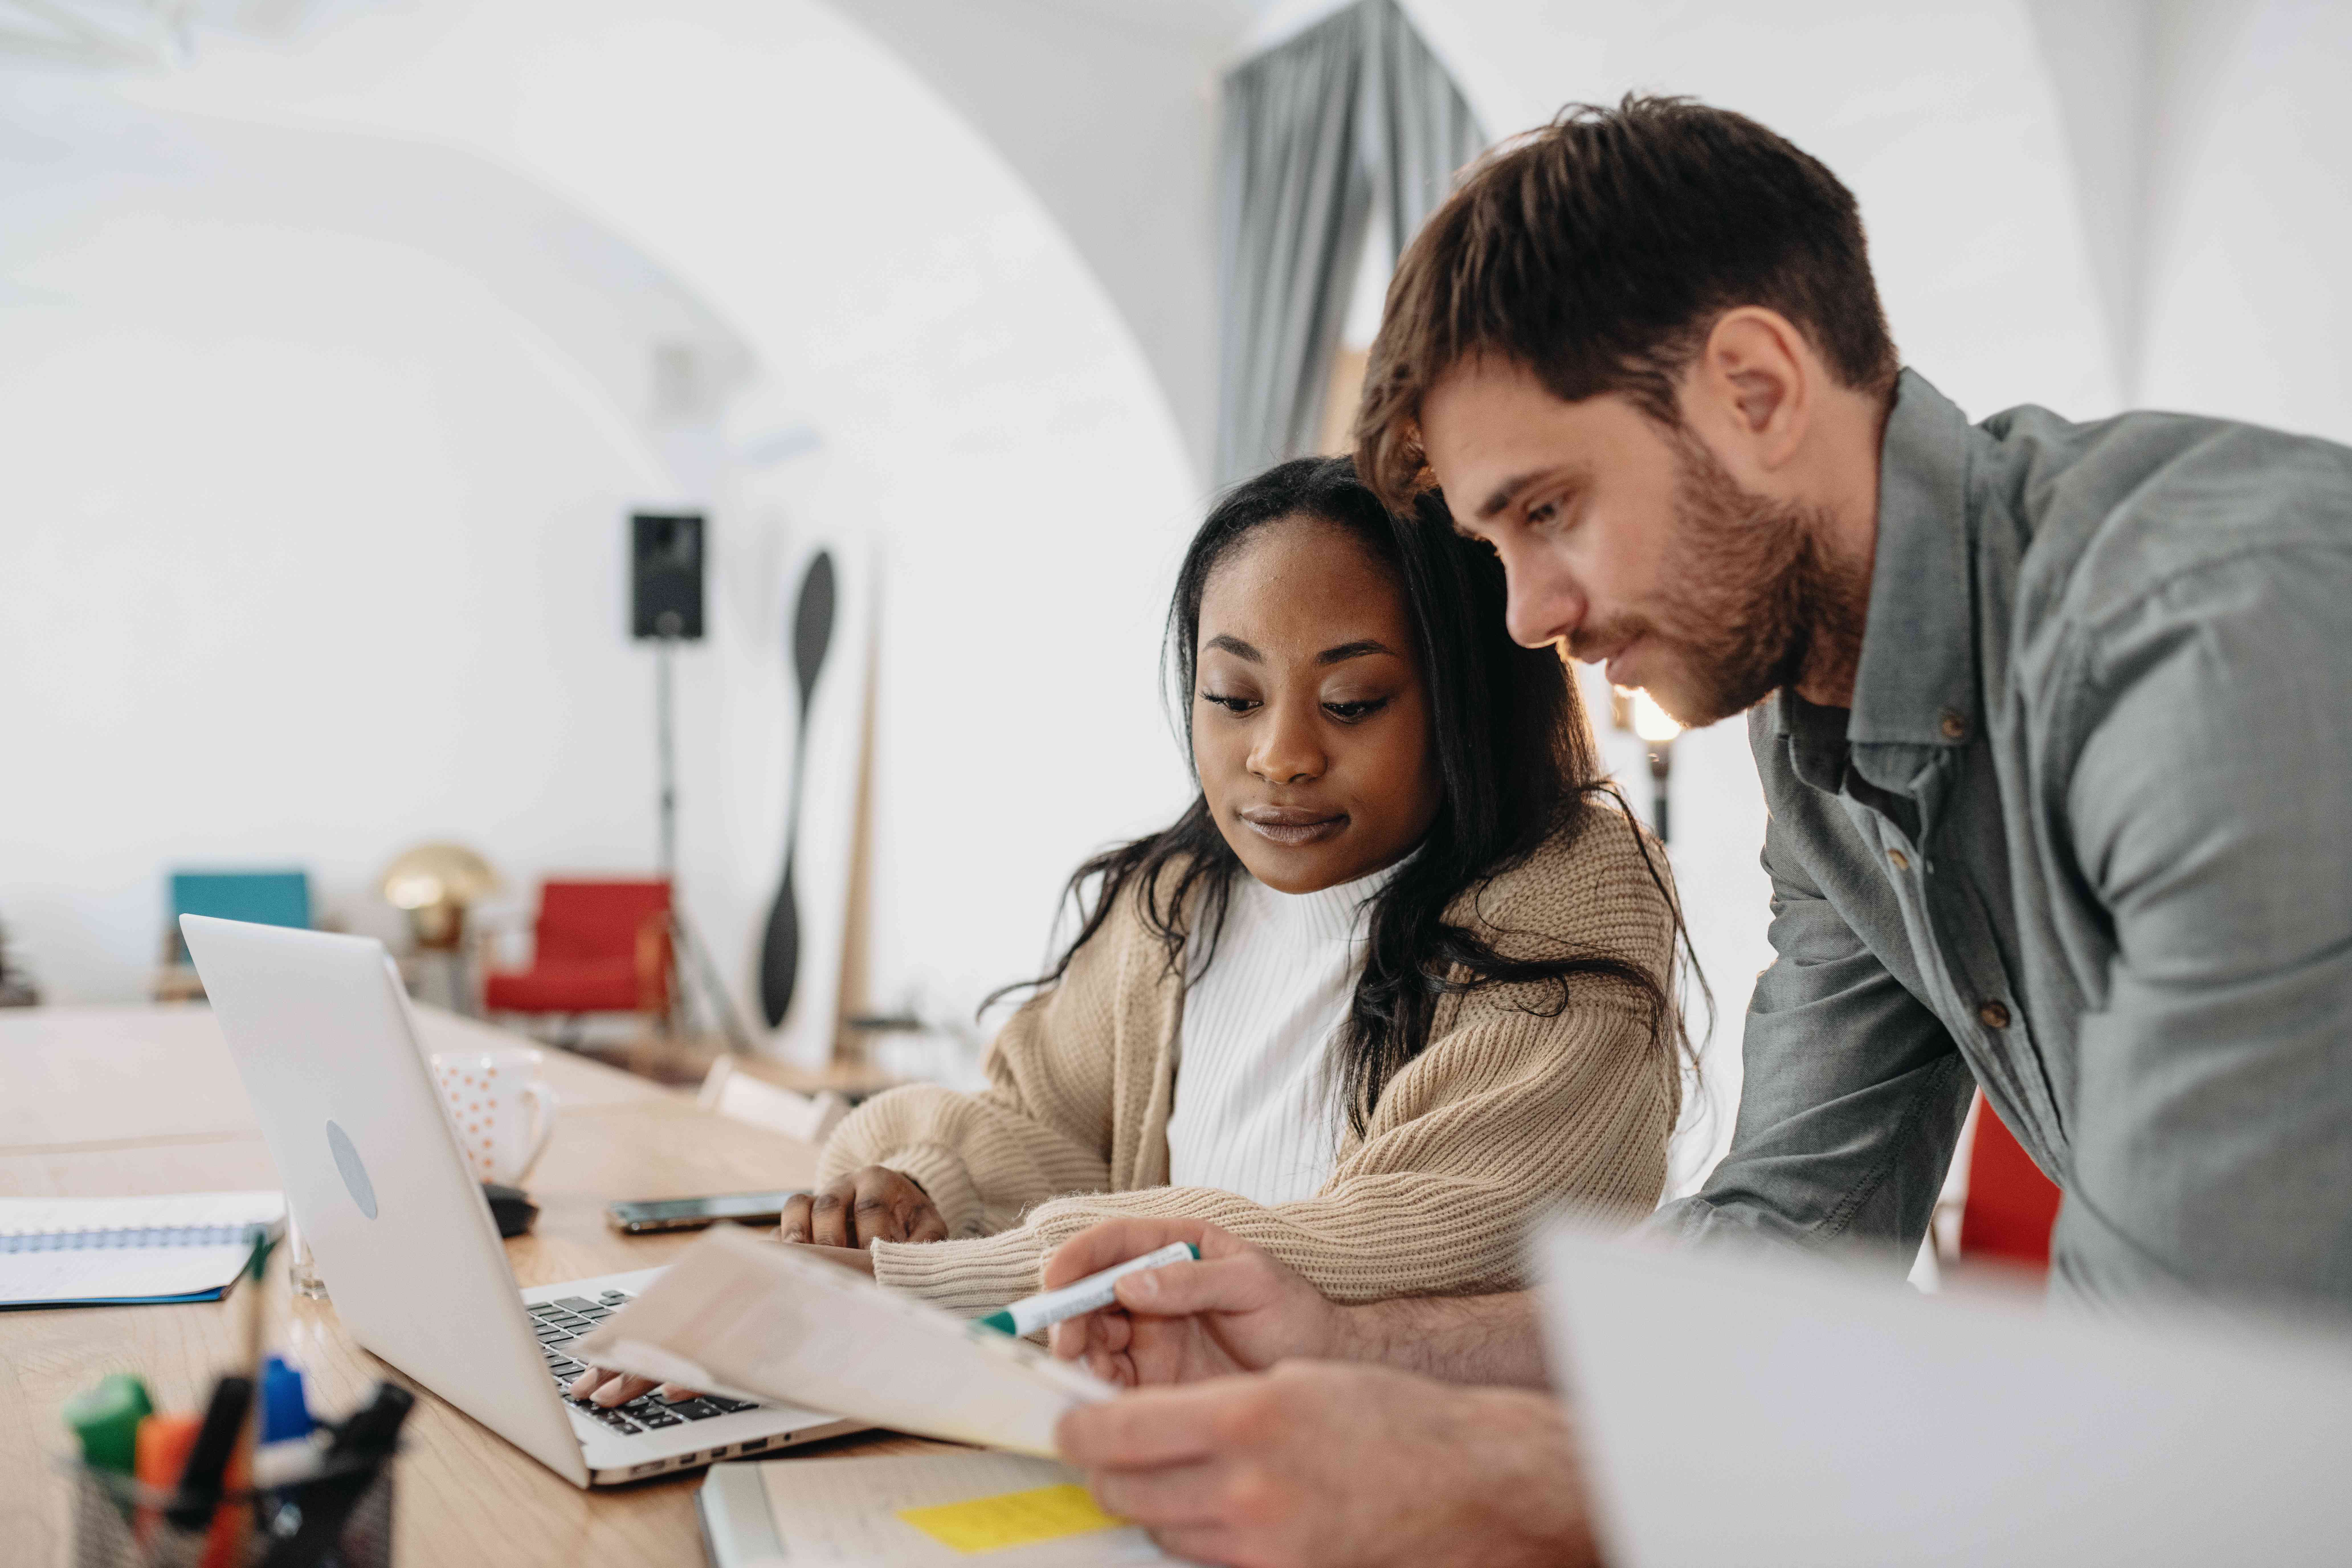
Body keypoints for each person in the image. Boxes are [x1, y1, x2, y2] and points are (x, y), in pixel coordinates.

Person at [1035, 90, 2352, 1567]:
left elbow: (2177, 1436)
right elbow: (1787, 1245)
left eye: (1550, 511)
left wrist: (1490, 1475)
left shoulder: (2206, 657)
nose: (1531, 615)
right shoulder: (1827, 737)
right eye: (1496, 546)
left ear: (1757, 389)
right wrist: (1346, 1337)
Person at [569, 454, 1689, 1412]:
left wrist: (906, 1291)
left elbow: (1416, 1236)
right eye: (1234, 697)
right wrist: (920, 1194)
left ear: (1468, 700)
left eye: (1351, 703)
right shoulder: (1178, 896)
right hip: (1154, 1430)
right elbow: (1045, 1124)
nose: (1280, 755)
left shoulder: (1567, 885)